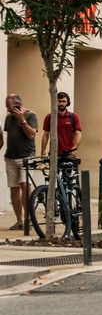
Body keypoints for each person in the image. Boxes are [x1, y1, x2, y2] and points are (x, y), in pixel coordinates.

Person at [4, 94, 38, 230]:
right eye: (7, 107)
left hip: (27, 156)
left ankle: (28, 219)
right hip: (10, 157)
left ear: (18, 104)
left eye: (10, 107)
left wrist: (22, 120)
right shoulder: (8, 118)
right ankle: (19, 221)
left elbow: (31, 135)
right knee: (14, 189)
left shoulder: (31, 115)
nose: (8, 110)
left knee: (25, 185)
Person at [41, 92, 82, 157]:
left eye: (64, 101)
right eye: (59, 101)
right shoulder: (50, 117)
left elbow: (78, 133)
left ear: (67, 103)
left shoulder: (73, 117)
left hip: (69, 153)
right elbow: (45, 135)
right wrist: (43, 152)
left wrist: (75, 148)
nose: (61, 104)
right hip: (54, 154)